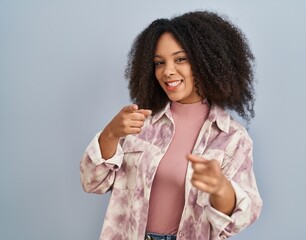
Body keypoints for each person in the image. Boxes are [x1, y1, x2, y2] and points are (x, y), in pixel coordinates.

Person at [80, 11, 262, 240]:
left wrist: (220, 188)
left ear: (207, 61)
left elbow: (240, 219)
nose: (167, 71)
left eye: (180, 59)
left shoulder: (232, 137)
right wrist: (111, 133)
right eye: (159, 62)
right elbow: (92, 182)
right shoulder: (140, 123)